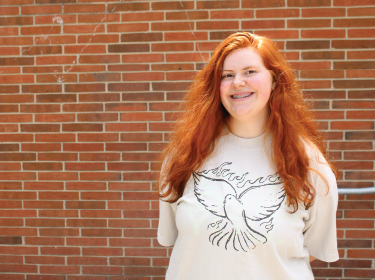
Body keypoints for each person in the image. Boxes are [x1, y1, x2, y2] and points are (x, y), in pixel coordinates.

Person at [157, 32, 339, 280]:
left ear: (275, 80)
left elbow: (313, 248)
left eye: (250, 72)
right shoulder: (186, 155)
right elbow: (178, 238)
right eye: (227, 75)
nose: (238, 82)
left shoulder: (307, 161)